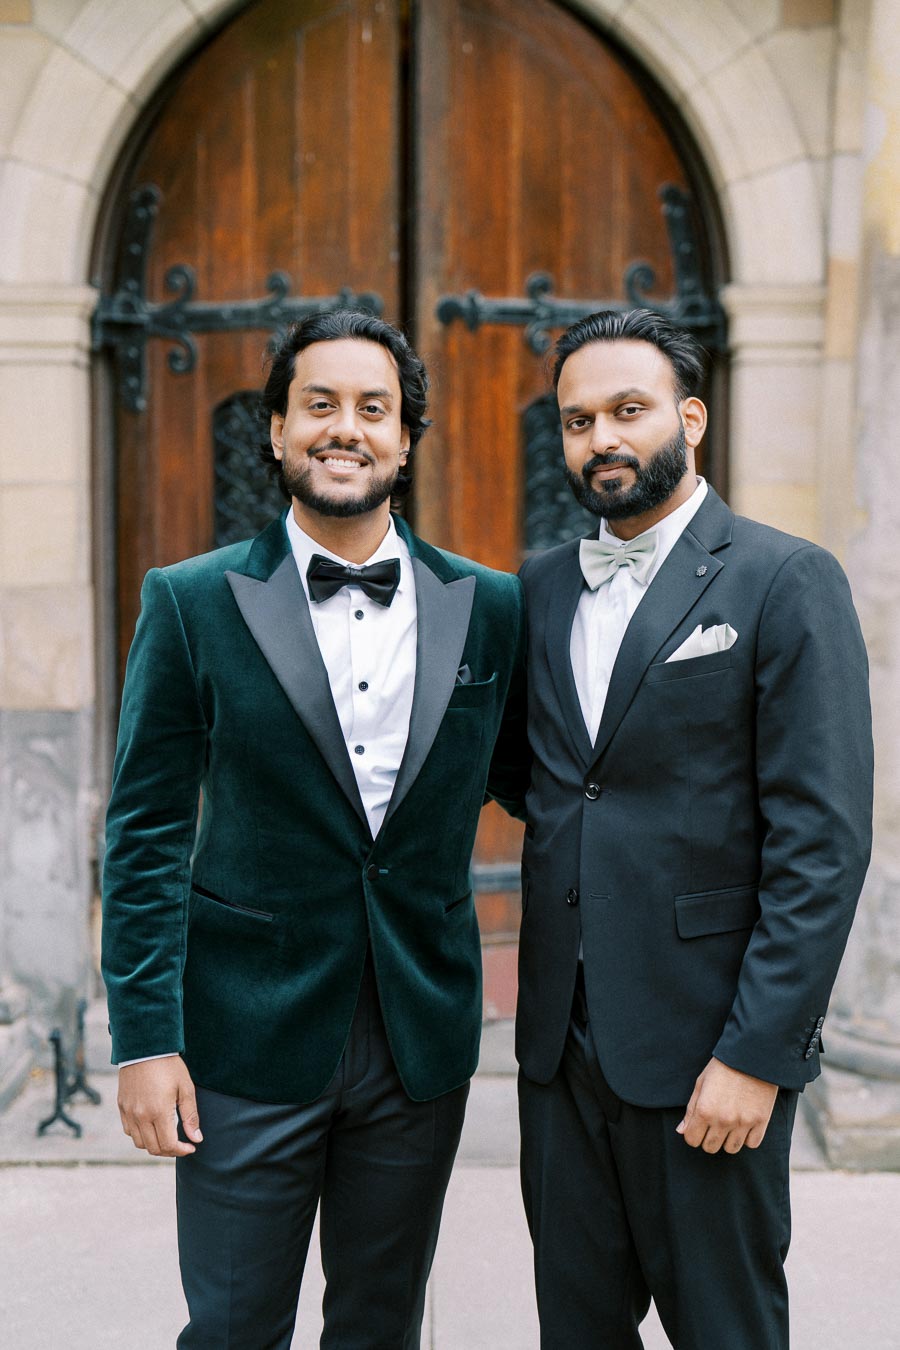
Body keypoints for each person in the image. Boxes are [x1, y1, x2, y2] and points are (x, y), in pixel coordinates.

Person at [101, 309, 527, 1349]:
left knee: (380, 1327)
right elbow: (147, 829)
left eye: (373, 409)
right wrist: (144, 1037)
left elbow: (548, 793)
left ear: (407, 437)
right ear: (279, 432)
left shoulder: (493, 608)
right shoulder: (192, 601)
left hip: (417, 1036)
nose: (347, 428)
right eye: (320, 405)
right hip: (243, 1036)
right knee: (235, 1326)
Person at [515, 308, 873, 1349]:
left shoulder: (784, 578)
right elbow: (534, 783)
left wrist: (758, 1054)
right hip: (559, 1053)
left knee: (726, 1331)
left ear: (691, 416)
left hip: (709, 1054)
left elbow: (823, 840)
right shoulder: (539, 587)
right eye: (578, 422)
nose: (602, 440)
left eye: (628, 411)